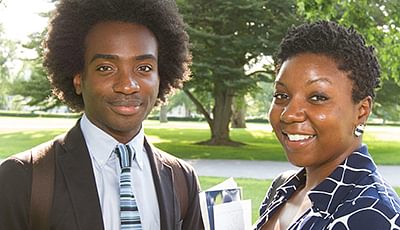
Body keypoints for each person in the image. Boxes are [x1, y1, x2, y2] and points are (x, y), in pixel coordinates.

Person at [0, 0, 204, 229]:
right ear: (78, 78)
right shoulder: (23, 178)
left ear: (161, 76)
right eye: (106, 67)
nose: (127, 85)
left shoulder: (181, 179)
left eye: (144, 68)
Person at [254, 21, 400, 230]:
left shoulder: (373, 215)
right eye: (282, 95)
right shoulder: (284, 188)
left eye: (317, 97)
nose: (289, 114)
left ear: (362, 111)